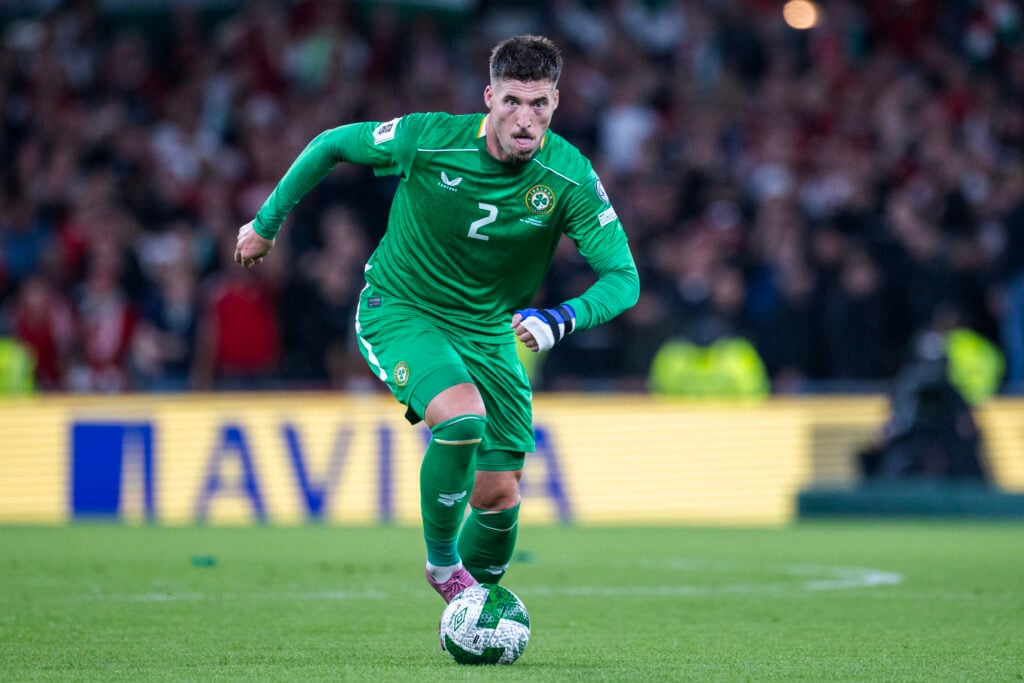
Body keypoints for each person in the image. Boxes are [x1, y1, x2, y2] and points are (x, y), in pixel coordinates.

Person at [234, 35, 640, 603]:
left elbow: (624, 277)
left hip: (488, 329)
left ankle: (469, 613)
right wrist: (265, 225)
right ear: (489, 99)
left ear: (556, 103)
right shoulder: (429, 138)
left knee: (499, 495)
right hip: (402, 309)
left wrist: (562, 318)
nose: (525, 119)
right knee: (461, 417)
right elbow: (332, 144)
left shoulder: (569, 176)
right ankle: (444, 565)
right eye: (512, 102)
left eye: (539, 104)